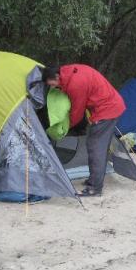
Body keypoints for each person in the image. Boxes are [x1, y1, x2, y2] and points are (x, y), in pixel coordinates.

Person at [42, 64, 126, 196]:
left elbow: (77, 111)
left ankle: (94, 188)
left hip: (106, 111)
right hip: (111, 106)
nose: (52, 87)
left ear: (57, 76)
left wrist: (65, 128)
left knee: (96, 148)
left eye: (51, 83)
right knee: (97, 147)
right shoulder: (69, 72)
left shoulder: (76, 84)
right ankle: (94, 180)